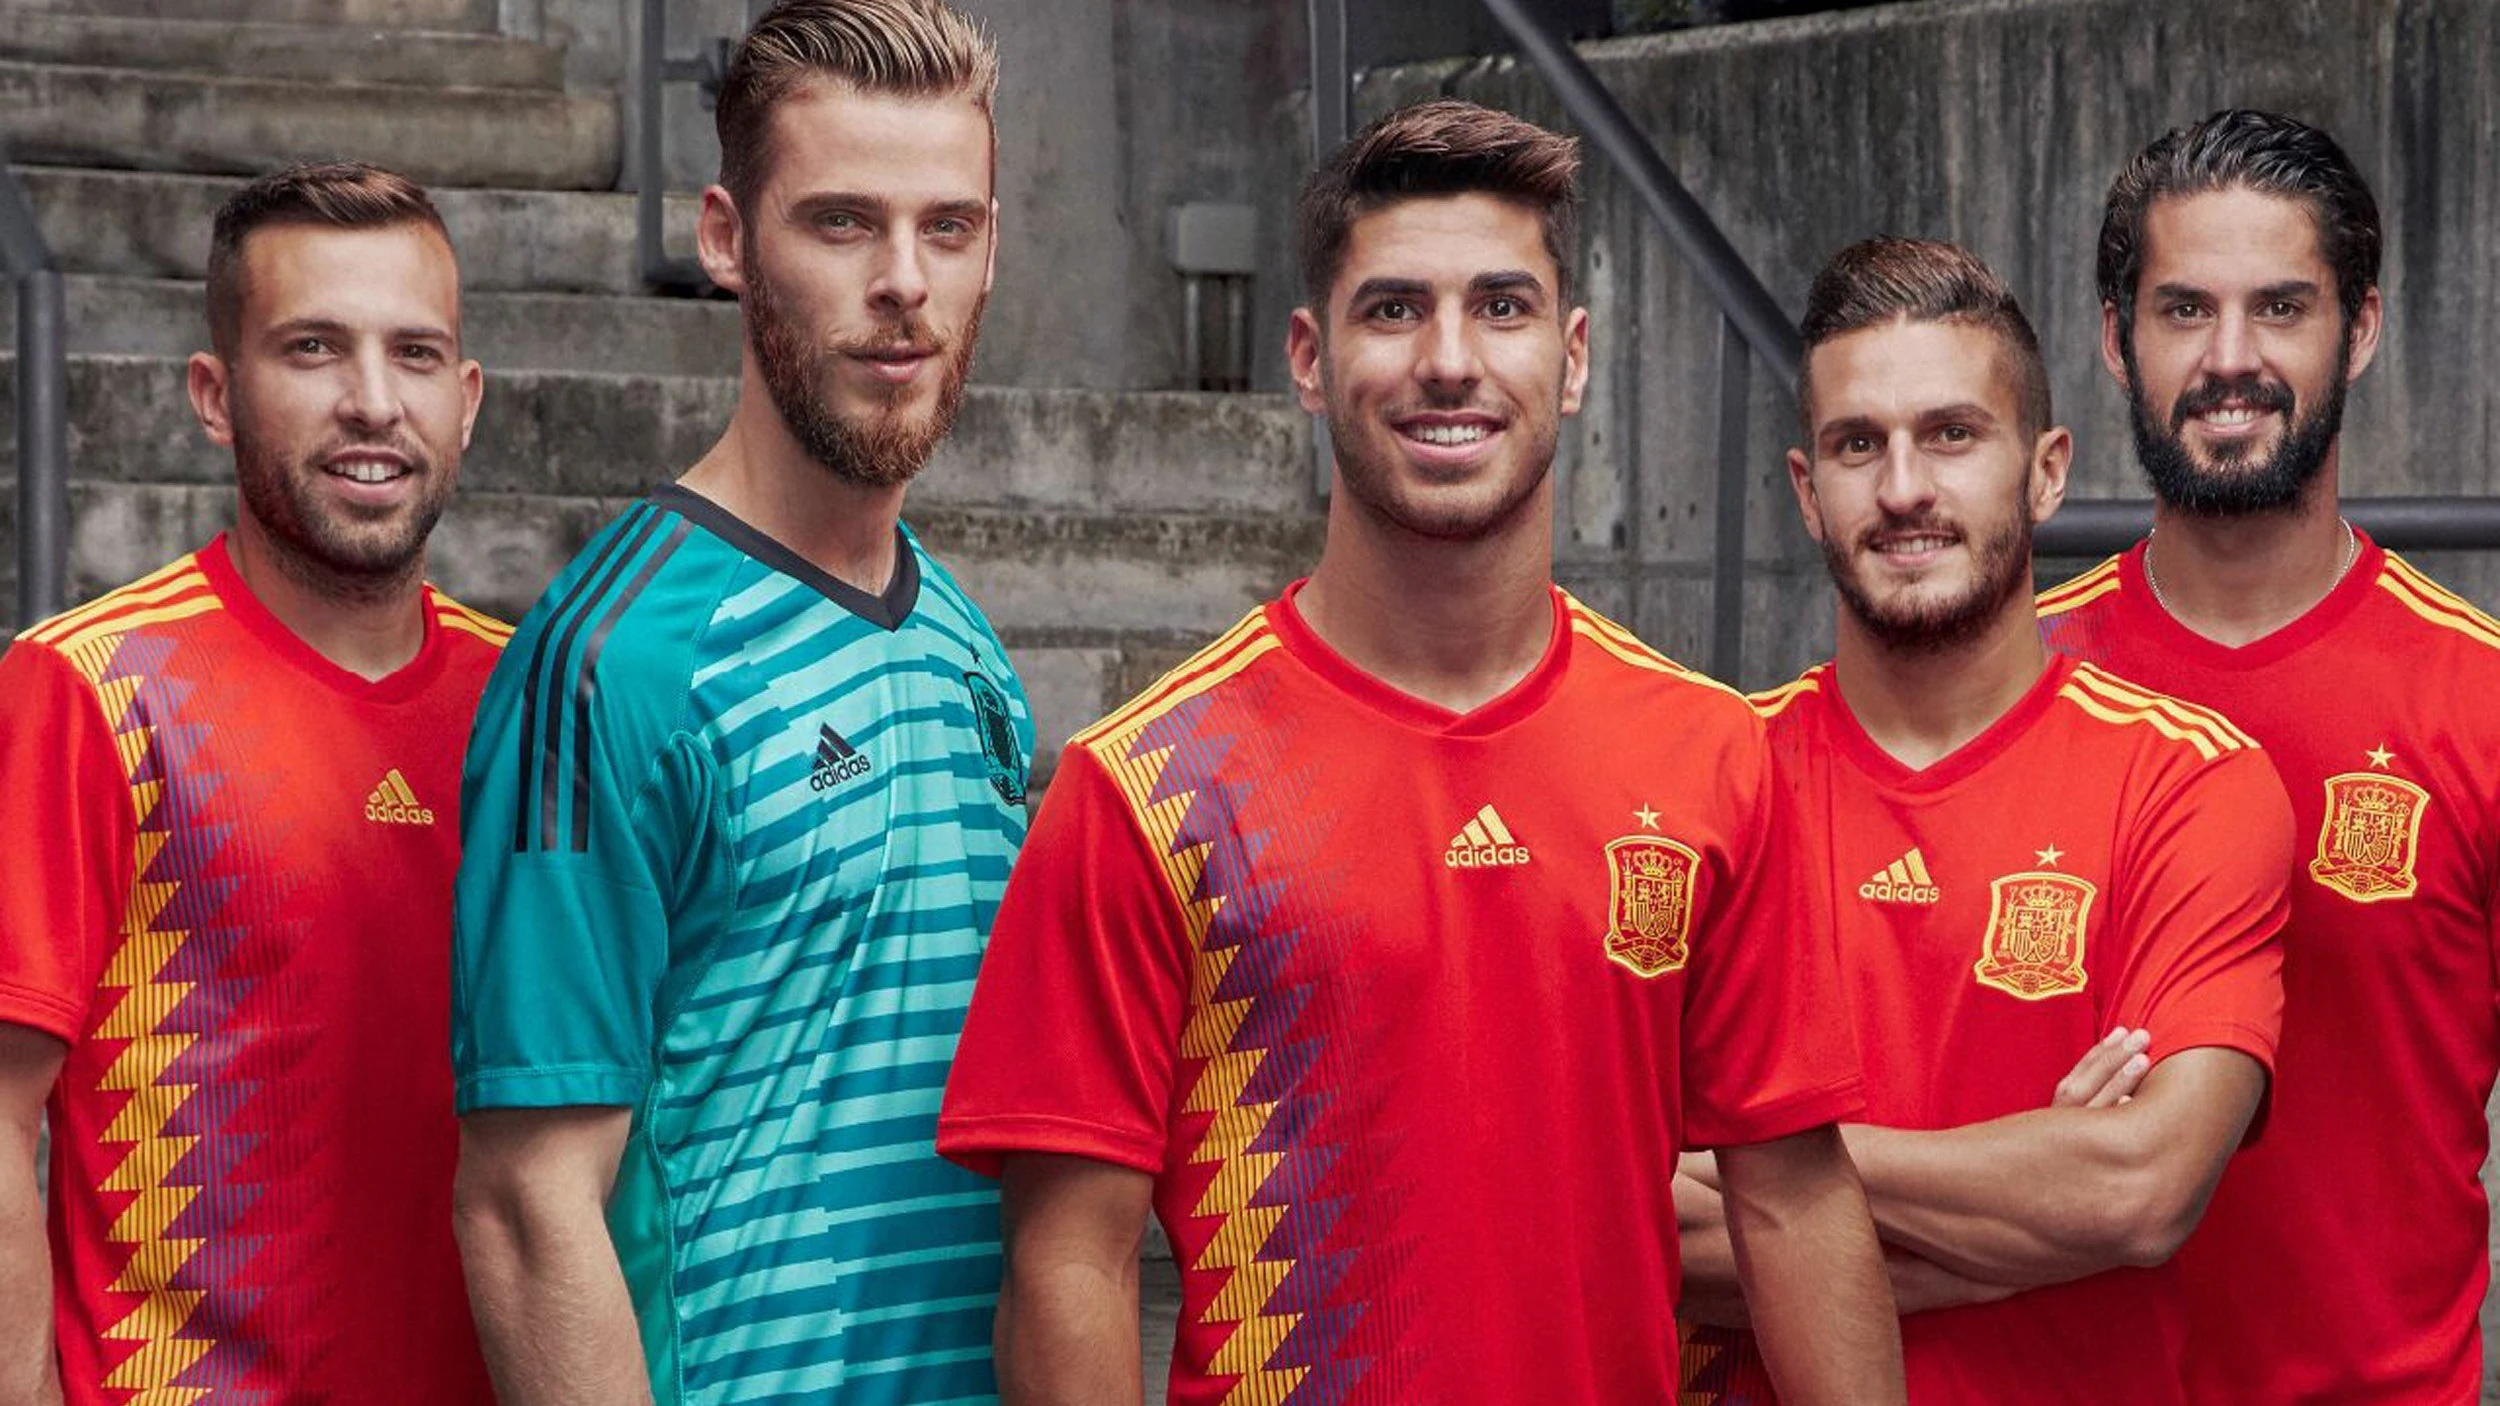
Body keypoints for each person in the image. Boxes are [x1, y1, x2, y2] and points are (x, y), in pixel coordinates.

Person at [935, 99, 1904, 1406]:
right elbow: (1073, 1264)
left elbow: (1791, 1200)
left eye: (1501, 307)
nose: (1449, 359)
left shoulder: (1711, 754)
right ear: (1309, 357)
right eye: (1392, 309)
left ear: (1571, 359)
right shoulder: (1148, 785)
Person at [446, 2, 1029, 1403]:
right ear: (726, 239)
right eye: (840, 223)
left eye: (947, 227)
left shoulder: (967, 646)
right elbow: (528, 1211)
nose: (904, 281)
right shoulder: (611, 665)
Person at [1672, 236, 2291, 1405]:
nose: (1903, 488)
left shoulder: (2189, 783)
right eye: (1859, 444)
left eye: (1951, 434)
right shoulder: (1707, 782)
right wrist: (2026, 1208)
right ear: (1808, 491)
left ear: (2044, 470)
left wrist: (1768, 1177)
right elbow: (1629, 1225)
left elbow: (2139, 1191)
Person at [0, 161, 499, 1404]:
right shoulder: (90, 687)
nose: (373, 402)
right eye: (314, 348)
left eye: (417, 354)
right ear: (216, 395)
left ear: (470, 398)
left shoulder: (531, 704)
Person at [2037, 108, 2500, 1404]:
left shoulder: (2480, 701)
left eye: (2279, 308)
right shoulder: (2011, 685)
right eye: (2183, 310)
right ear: (2114, 340)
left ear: (2360, 328)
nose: (2229, 360)